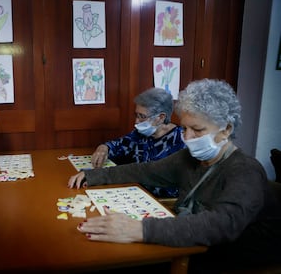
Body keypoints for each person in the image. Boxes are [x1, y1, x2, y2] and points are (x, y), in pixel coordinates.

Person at [68, 79, 281, 272]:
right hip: (198, 243)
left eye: (197, 130)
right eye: (185, 128)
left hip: (233, 257)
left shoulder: (245, 170)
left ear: (226, 129)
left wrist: (140, 229)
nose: (187, 137)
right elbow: (145, 170)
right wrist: (94, 176)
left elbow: (221, 225)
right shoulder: (189, 158)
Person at [91, 87, 185, 198]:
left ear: (161, 117)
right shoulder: (140, 134)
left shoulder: (181, 140)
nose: (137, 121)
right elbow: (117, 145)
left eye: (142, 117)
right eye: (137, 115)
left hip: (161, 202)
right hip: (134, 192)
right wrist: (103, 148)